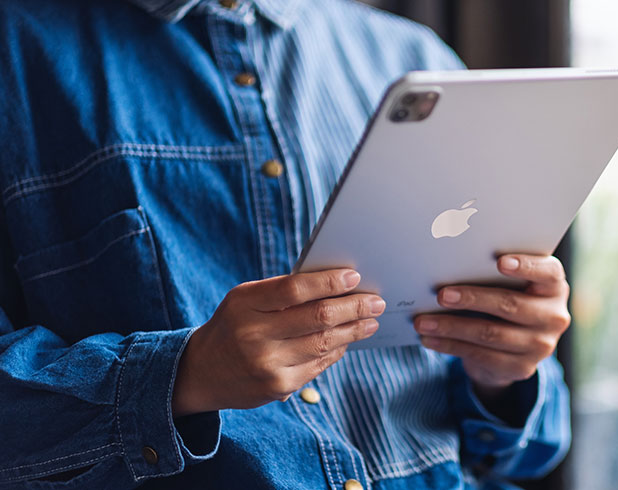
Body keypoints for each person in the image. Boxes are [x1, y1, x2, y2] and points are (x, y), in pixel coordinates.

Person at [0, 0, 572, 488]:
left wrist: (504, 371)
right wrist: (185, 376)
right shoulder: (18, 53)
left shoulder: (414, 59)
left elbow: (536, 446)